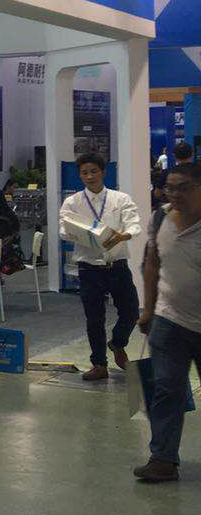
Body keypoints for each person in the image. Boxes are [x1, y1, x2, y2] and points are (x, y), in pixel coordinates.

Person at [135, 163, 201, 482]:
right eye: (169, 187)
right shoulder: (159, 217)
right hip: (168, 319)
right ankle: (162, 459)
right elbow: (152, 263)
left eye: (183, 187)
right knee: (166, 389)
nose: (174, 194)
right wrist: (148, 309)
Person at [60, 152, 142, 382]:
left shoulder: (120, 199)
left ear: (104, 172)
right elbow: (63, 230)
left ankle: (117, 343)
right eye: (84, 172)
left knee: (131, 311)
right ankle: (99, 364)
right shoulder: (72, 202)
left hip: (117, 265)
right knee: (94, 318)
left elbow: (134, 224)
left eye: (94, 171)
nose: (89, 176)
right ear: (80, 175)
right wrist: (79, 234)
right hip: (89, 268)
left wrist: (123, 235)